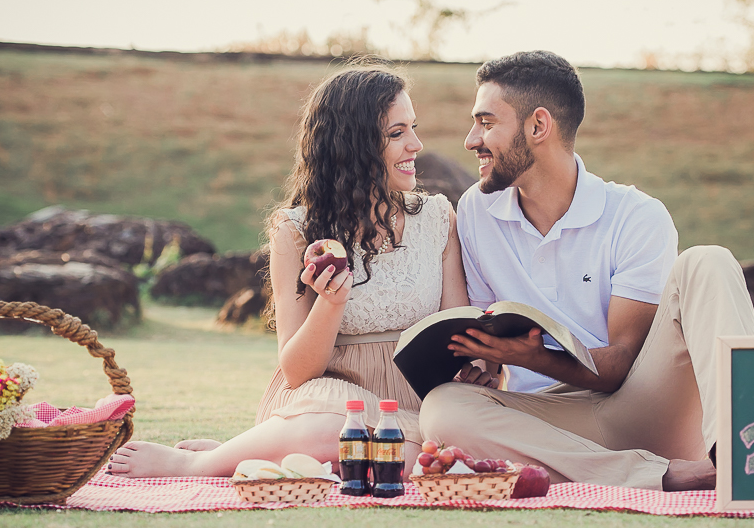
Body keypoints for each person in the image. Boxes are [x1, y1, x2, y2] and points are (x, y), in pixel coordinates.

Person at [109, 63, 494, 479]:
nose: (416, 145)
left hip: (419, 400)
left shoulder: (438, 217)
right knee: (333, 431)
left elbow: (454, 330)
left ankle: (254, 449)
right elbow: (297, 370)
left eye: (413, 128)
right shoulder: (295, 230)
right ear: (354, 146)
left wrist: (480, 367)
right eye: (397, 134)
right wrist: (331, 302)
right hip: (327, 397)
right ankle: (196, 464)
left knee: (420, 459)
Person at [418, 50, 754, 491]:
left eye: (486, 123)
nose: (470, 140)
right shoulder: (476, 212)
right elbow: (489, 341)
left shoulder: (636, 216)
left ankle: (747, 457)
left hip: (641, 406)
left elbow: (620, 366)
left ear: (538, 126)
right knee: (444, 408)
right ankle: (662, 476)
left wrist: (534, 356)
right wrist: (480, 365)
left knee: (708, 261)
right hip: (549, 427)